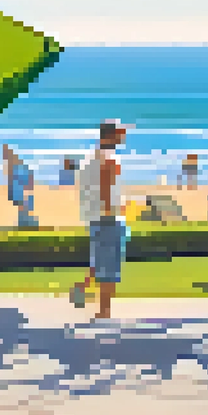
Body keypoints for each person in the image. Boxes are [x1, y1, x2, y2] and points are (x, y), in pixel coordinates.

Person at [72, 122, 127, 319]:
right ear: (112, 135)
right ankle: (104, 310)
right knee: (110, 265)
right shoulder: (110, 159)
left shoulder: (89, 158)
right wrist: (109, 208)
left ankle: (82, 287)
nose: (124, 136)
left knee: (100, 260)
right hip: (108, 216)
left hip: (94, 216)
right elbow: (106, 184)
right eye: (121, 133)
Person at [2, 144, 38, 229]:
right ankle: (25, 223)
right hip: (20, 187)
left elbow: (26, 178)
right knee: (23, 207)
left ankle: (26, 223)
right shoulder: (16, 165)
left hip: (20, 188)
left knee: (23, 206)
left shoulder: (17, 166)